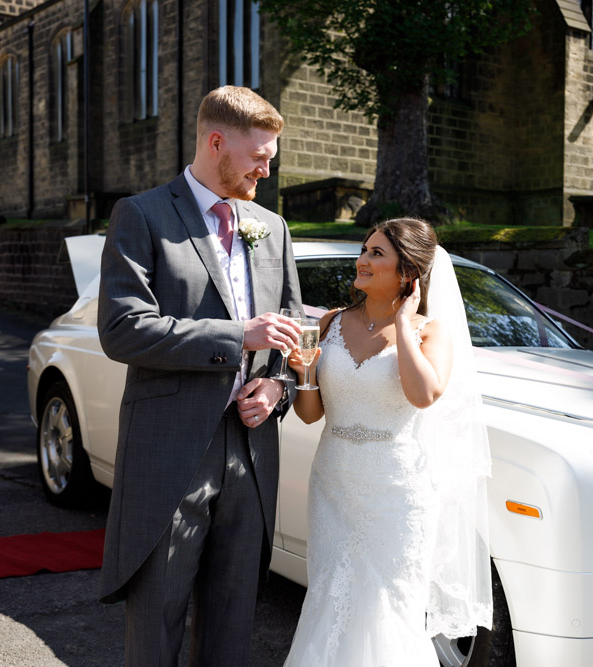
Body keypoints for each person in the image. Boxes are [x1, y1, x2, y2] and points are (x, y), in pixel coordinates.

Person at [97, 85, 304, 665]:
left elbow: (288, 331)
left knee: (233, 622)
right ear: (217, 144)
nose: (269, 166)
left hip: (251, 453)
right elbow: (122, 330)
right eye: (259, 155)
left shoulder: (272, 226)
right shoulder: (141, 215)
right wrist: (238, 338)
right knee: (157, 622)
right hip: (170, 453)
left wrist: (276, 384)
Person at [282, 218, 493, 666]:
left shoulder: (429, 332)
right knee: (328, 599)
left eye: (377, 254)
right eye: (364, 249)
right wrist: (303, 376)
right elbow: (310, 415)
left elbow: (423, 396)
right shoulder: (331, 323)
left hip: (397, 494)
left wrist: (402, 323)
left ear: (408, 273)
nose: (361, 260)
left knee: (387, 606)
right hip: (333, 484)